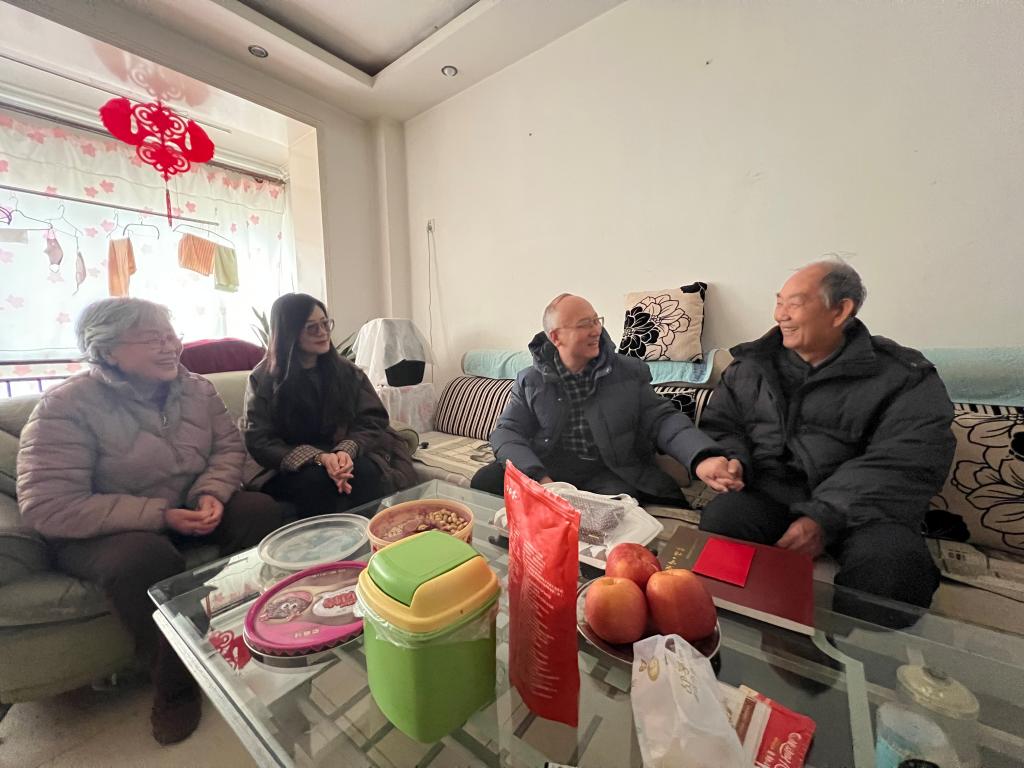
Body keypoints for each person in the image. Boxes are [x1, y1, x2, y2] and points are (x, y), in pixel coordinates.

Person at [16, 298, 282, 745]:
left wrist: (210, 494)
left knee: (261, 511)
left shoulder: (197, 389)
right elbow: (49, 504)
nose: (169, 347)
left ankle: (251, 631)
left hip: (187, 506)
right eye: (150, 339)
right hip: (106, 529)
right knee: (146, 557)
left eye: (170, 336)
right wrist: (159, 515)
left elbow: (227, 450)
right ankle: (175, 688)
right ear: (106, 350)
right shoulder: (65, 405)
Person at [697, 260, 954, 607]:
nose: (780, 315)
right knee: (723, 520)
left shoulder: (904, 376)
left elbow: (909, 458)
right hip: (771, 494)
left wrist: (823, 516)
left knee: (894, 569)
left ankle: (850, 641)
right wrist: (733, 460)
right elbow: (723, 425)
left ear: (840, 311)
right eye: (779, 302)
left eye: (794, 304)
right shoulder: (751, 366)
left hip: (862, 510)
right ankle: (745, 627)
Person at [471, 293, 743, 501]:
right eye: (584, 324)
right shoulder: (531, 380)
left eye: (596, 321)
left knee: (611, 508)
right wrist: (539, 478)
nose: (596, 330)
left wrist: (701, 457)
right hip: (548, 467)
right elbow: (507, 432)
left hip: (609, 471)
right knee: (486, 481)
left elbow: (663, 420)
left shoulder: (628, 372)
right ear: (556, 337)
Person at [242, 293, 417, 517]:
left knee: (366, 472)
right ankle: (324, 539)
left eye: (325, 324)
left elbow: (373, 419)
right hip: (286, 463)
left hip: (342, 449)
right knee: (315, 481)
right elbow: (260, 441)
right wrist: (319, 458)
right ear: (290, 333)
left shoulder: (346, 371)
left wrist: (346, 450)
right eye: (312, 327)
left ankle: (369, 534)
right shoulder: (263, 379)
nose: (323, 332)